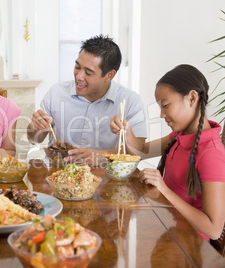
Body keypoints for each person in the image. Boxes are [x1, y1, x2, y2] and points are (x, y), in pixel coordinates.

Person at [110, 64, 225, 241]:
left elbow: (214, 229)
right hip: (167, 229)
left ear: (192, 98)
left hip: (190, 247)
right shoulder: (180, 135)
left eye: (166, 105)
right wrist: (126, 130)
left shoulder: (212, 153)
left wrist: (164, 189)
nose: (162, 115)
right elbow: (141, 151)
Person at [27, 34, 146, 166]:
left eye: (88, 73)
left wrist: (101, 155)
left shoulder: (129, 101)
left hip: (106, 178)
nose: (79, 76)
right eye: (77, 67)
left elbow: (139, 151)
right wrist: (35, 127)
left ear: (109, 75)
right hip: (59, 175)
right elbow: (34, 139)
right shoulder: (56, 93)